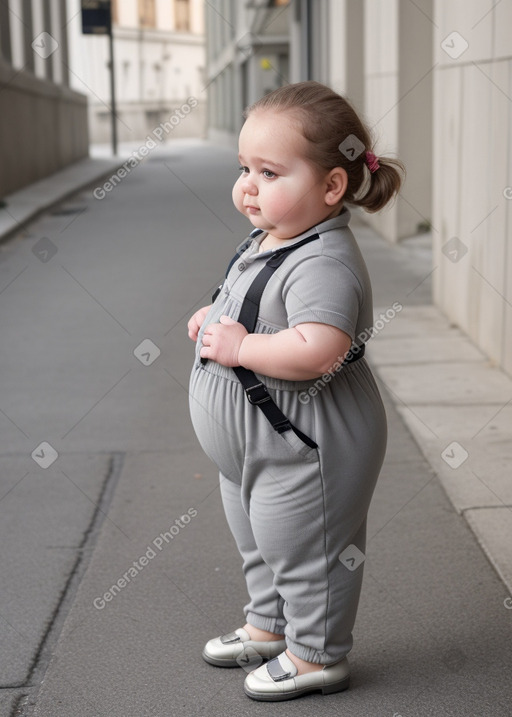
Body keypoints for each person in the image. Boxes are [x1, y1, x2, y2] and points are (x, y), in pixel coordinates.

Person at [187, 80, 404, 702]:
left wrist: (238, 348)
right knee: (261, 543)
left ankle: (316, 655)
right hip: (255, 449)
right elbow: (255, 302)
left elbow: (318, 348)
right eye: (243, 168)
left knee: (310, 551)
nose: (248, 185)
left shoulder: (324, 261)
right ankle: (269, 624)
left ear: (331, 187)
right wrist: (216, 314)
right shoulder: (273, 237)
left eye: (269, 171)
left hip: (307, 445)